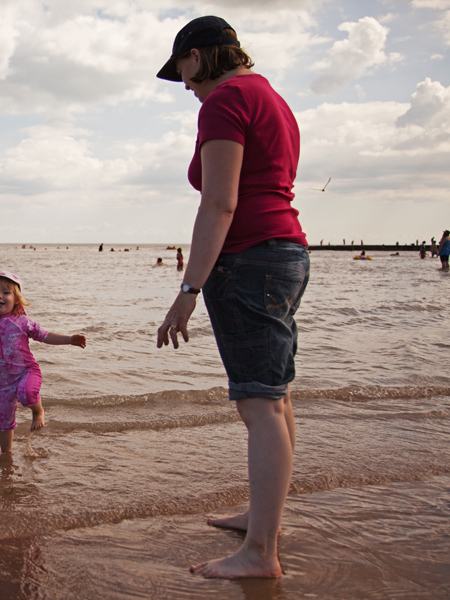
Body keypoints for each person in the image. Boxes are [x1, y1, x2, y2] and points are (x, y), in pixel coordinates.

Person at [155, 16, 309, 579]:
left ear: (197, 57)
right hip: (284, 253)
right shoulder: (271, 97)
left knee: (258, 404)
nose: (185, 86)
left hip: (249, 260)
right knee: (275, 397)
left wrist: (188, 289)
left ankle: (260, 553)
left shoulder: (224, 100)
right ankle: (263, 521)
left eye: (182, 72)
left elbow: (220, 203)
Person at [0, 272, 86, 453]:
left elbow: (45, 336)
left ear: (16, 299)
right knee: (3, 420)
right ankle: (6, 454)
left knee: (26, 394)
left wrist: (69, 340)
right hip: (5, 382)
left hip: (27, 372)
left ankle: (38, 411)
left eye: (6, 292)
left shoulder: (22, 321)